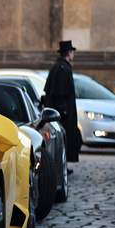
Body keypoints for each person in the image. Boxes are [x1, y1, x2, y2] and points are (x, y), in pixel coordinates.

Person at [44, 40, 81, 169]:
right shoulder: (61, 68)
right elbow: (59, 93)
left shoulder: (61, 67)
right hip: (62, 114)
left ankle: (63, 165)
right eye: (72, 52)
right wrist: (63, 111)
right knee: (62, 140)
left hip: (63, 113)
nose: (73, 55)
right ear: (68, 53)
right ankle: (61, 166)